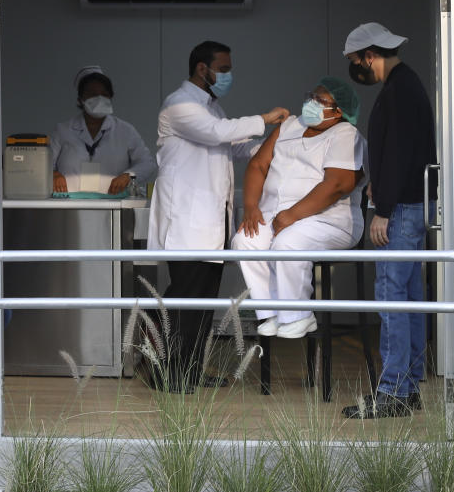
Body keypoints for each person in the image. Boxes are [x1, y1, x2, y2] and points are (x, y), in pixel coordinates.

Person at [147, 40, 288, 391]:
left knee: (202, 303)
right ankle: (168, 375)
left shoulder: (212, 107)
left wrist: (279, 142)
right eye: (223, 69)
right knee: (184, 300)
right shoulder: (179, 106)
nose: (227, 75)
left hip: (208, 224)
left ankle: (192, 371)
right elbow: (218, 134)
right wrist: (266, 118)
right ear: (201, 69)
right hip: (185, 224)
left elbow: (236, 146)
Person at [339, 22, 437, 419]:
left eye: (354, 61)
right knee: (410, 298)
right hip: (412, 204)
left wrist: (383, 209)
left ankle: (393, 392)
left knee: (392, 298)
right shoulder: (405, 84)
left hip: (400, 210)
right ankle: (408, 386)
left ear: (369, 55)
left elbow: (396, 153)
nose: (355, 69)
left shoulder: (398, 90)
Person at [231, 78, 367, 340]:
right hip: (276, 216)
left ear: (338, 111)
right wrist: (250, 206)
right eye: (311, 97)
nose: (311, 104)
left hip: (329, 221)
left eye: (320, 101)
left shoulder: (346, 134)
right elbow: (259, 165)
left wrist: (291, 216)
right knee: (245, 241)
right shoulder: (291, 125)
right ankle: (271, 312)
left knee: (289, 243)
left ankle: (298, 316)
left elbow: (338, 184)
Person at [51, 66, 156, 195]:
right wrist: (54, 175)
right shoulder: (63, 130)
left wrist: (128, 176)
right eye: (92, 94)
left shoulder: (125, 131)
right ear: (80, 99)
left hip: (111, 204)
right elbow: (43, 165)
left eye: (105, 94)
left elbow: (147, 163)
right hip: (69, 203)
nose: (99, 98)